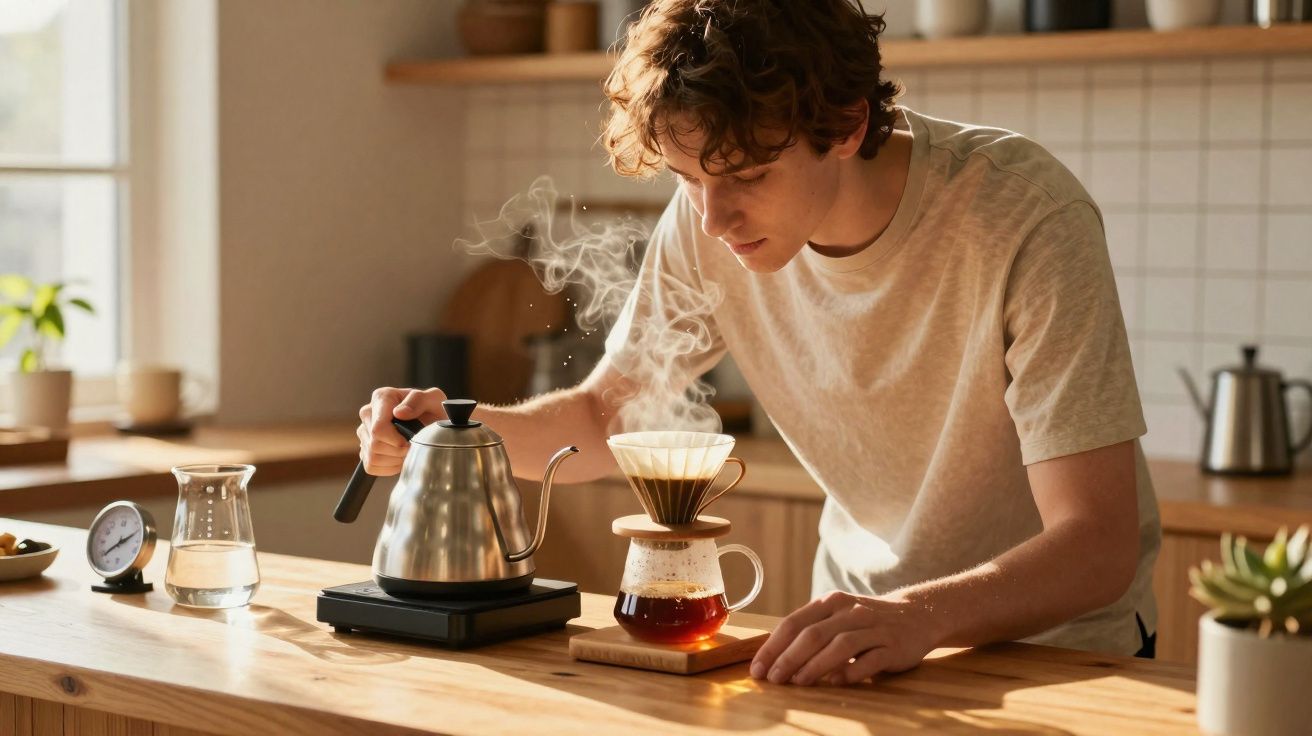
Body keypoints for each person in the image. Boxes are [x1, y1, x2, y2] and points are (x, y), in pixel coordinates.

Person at [357, 0, 1160, 687]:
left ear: (846, 124)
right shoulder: (705, 226)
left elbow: (1096, 545)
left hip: (1056, 655)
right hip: (853, 644)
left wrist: (918, 615)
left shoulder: (1024, 217)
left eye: (745, 176)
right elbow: (604, 421)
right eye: (687, 180)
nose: (712, 219)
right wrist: (452, 431)